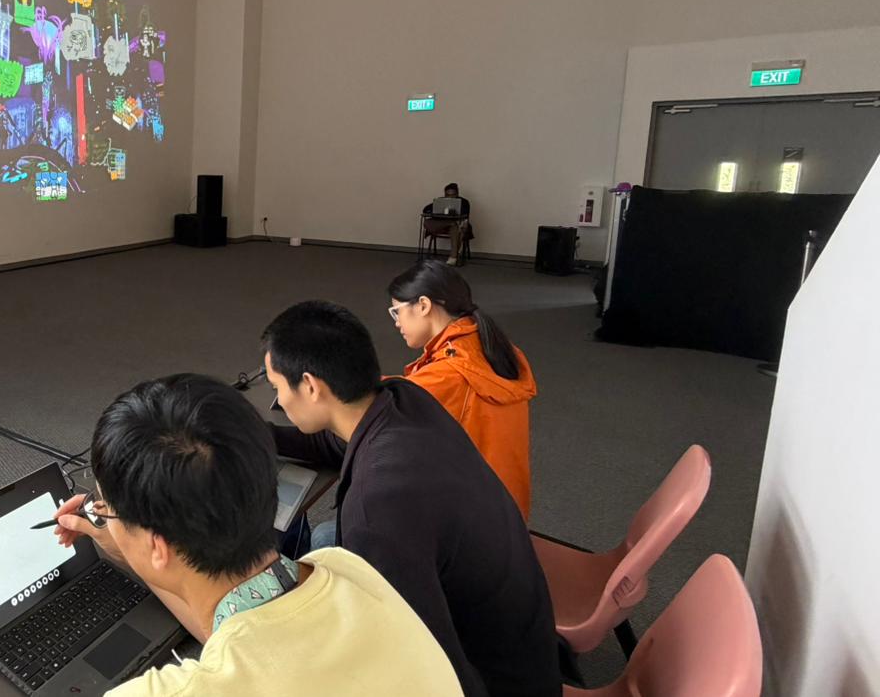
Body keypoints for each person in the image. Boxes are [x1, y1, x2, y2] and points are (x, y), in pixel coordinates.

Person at [55, 374, 462, 697]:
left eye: (104, 508)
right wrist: (138, 554)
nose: (100, 514)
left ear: (157, 544)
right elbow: (247, 635)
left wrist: (145, 553)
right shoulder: (347, 569)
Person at [262, 301, 558, 697]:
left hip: (491, 683)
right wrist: (260, 434)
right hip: (522, 645)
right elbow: (338, 442)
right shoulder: (402, 399)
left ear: (311, 386)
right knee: (326, 541)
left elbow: (430, 671)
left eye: (277, 388)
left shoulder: (376, 509)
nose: (280, 401)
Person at [389, 260, 538, 517]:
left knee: (330, 533)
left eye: (396, 312)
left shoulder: (450, 373)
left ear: (423, 305)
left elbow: (381, 406)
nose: (396, 323)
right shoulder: (493, 347)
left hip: (470, 525)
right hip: (505, 514)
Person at [422, 182, 473, 265]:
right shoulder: (441, 201)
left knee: (456, 227)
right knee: (427, 222)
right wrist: (436, 209)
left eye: (453, 195)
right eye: (447, 195)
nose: (450, 197)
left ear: (457, 194)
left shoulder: (464, 202)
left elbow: (465, 215)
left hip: (457, 225)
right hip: (442, 224)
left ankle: (453, 257)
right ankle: (451, 224)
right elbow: (425, 209)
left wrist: (453, 211)